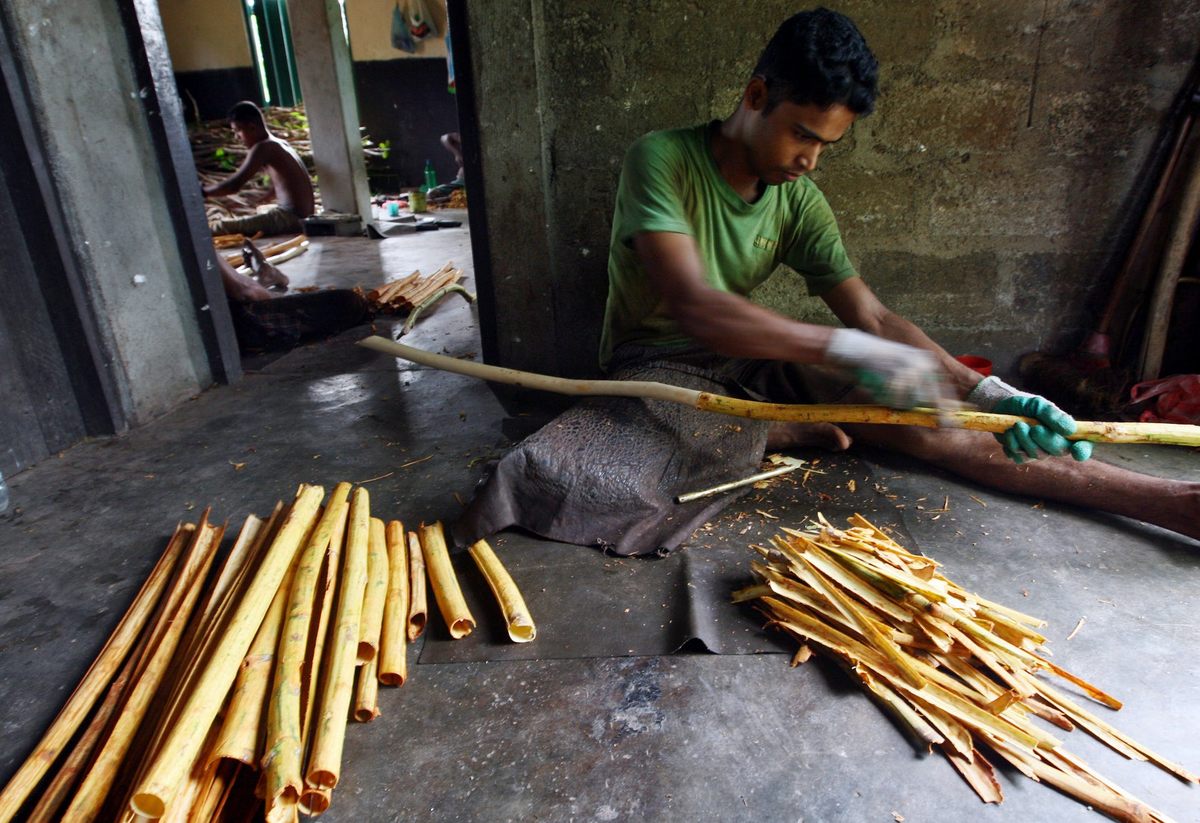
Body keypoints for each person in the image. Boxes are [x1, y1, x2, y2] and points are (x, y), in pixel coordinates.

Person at [597, 8, 1198, 541]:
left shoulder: (798, 198)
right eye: (802, 135)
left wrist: (990, 393)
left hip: (748, 361)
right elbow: (696, 306)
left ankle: (1174, 504)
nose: (809, 161)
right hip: (654, 364)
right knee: (617, 445)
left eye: (826, 145)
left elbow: (874, 316)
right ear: (756, 96)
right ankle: (784, 428)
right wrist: (855, 352)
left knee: (931, 419)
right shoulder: (662, 159)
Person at [204, 101, 316, 237]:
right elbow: (288, 181)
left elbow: (233, 185)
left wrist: (202, 191)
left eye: (237, 131)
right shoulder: (279, 143)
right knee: (261, 209)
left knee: (220, 227)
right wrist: (266, 197)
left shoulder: (263, 147)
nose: (236, 137)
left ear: (251, 127)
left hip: (290, 219)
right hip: (303, 215)